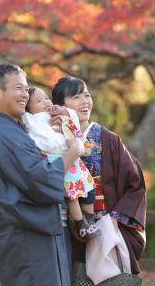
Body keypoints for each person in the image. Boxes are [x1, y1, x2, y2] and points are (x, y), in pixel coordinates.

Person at [0, 63, 85, 286]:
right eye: (18, 88)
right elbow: (40, 176)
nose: (25, 94)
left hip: (33, 231)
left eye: (26, 88)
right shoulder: (2, 132)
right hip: (25, 236)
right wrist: (74, 150)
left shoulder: (11, 126)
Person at [51, 76, 146, 279]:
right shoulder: (51, 140)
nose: (85, 101)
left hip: (104, 225)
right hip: (65, 227)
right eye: (76, 97)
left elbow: (135, 182)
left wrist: (115, 218)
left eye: (86, 95)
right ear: (60, 106)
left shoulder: (109, 140)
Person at [22, 86, 101, 242]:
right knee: (72, 195)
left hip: (75, 160)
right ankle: (80, 223)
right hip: (59, 161)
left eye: (46, 98)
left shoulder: (57, 115)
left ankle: (89, 220)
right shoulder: (32, 122)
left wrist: (63, 114)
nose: (45, 102)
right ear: (28, 110)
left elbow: (72, 121)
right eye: (39, 101)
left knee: (89, 188)